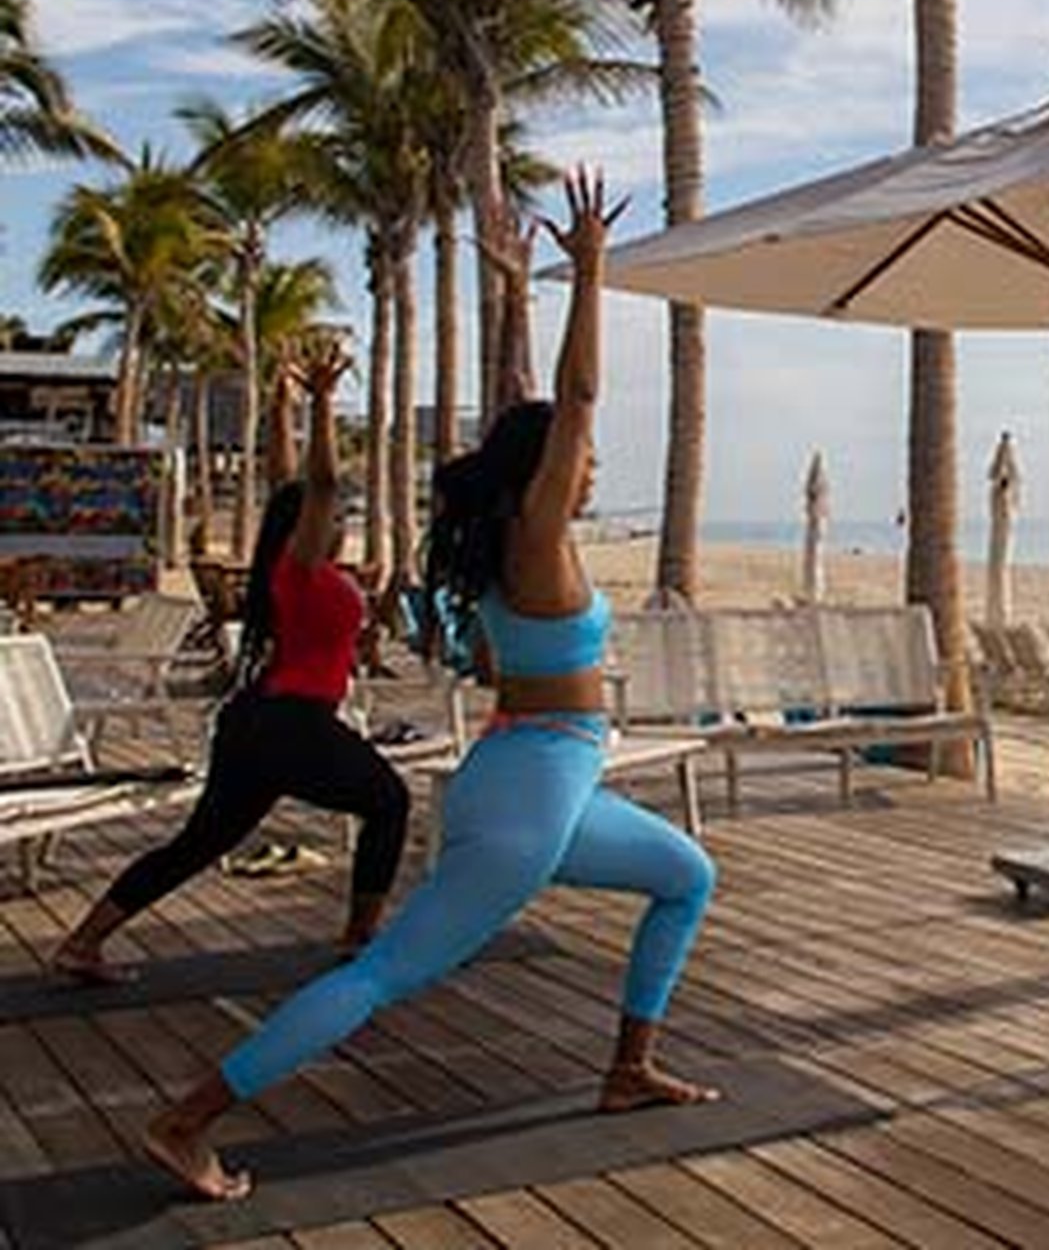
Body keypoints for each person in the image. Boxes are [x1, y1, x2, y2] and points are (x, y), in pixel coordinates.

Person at [143, 170, 718, 1202]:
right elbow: (575, 402)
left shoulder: (512, 541)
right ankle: (189, 1122)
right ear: (545, 470)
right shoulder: (536, 542)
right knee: (382, 976)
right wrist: (587, 273)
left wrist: (515, 293)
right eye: (576, 464)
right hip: (531, 796)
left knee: (685, 876)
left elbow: (538, 420)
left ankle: (627, 1068)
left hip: (544, 781)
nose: (590, 470)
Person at [53, 334, 408, 984]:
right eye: (334, 516)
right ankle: (362, 938)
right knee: (388, 801)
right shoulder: (300, 569)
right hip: (290, 724)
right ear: (312, 524)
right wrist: (324, 404)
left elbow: (288, 481)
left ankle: (82, 944)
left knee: (198, 845)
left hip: (255, 724)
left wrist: (281, 401)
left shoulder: (302, 570)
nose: (340, 519)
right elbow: (317, 483)